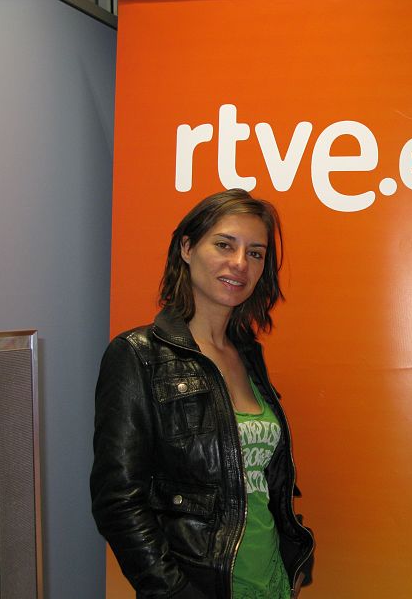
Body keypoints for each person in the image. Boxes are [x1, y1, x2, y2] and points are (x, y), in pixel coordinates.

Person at [91, 189, 314, 599]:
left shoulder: (248, 354)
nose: (240, 263)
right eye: (225, 245)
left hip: (271, 582)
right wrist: (173, 592)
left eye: (255, 253)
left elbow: (266, 484)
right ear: (187, 247)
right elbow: (118, 501)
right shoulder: (137, 355)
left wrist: (291, 565)